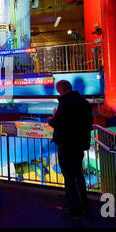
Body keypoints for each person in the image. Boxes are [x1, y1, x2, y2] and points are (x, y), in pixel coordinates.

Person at [48, 80, 93, 219]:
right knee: (78, 175)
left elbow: (56, 122)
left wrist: (52, 117)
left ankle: (72, 209)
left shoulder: (65, 103)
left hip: (67, 144)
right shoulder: (84, 102)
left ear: (61, 88)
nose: (57, 92)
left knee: (68, 176)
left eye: (57, 89)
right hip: (79, 144)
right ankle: (84, 205)